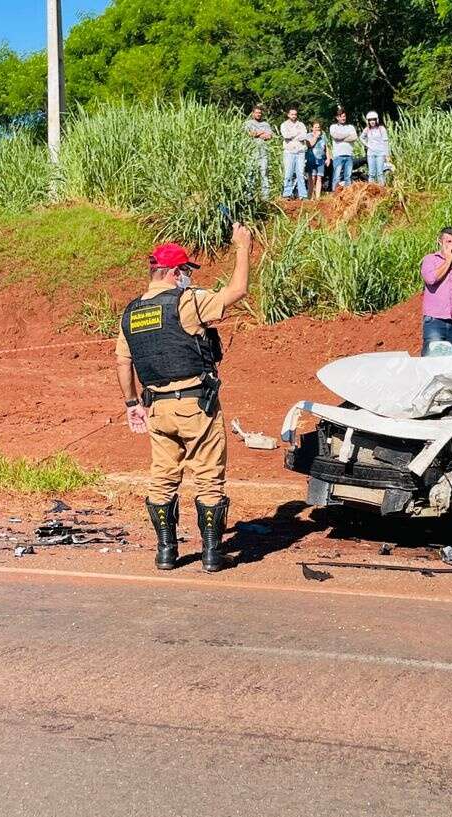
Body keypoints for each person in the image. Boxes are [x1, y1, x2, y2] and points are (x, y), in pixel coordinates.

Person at [118, 224, 254, 573]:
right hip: (196, 405)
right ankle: (211, 554)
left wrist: (132, 404)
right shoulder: (188, 301)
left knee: (162, 478)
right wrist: (243, 247)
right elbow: (237, 290)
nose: (186, 278)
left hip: (157, 408)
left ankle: (166, 552)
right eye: (185, 272)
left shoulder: (130, 313)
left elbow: (123, 361)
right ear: (176, 272)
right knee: (209, 476)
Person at [279, 107, 310, 200]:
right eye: (292, 114)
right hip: (289, 152)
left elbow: (304, 136)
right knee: (288, 173)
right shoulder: (284, 125)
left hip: (300, 152)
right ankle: (287, 194)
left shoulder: (301, 124)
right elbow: (285, 135)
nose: (294, 116)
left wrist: (293, 135)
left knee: (301, 173)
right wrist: (297, 134)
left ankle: (303, 195)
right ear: (288, 115)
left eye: (295, 114)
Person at [244, 105, 274, 198]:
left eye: (260, 113)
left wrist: (256, 133)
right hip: (251, 152)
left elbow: (269, 136)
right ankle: (249, 196)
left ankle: (265, 196)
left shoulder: (266, 124)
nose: (258, 114)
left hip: (263, 152)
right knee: (250, 173)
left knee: (264, 173)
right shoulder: (248, 123)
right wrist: (261, 133)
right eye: (257, 112)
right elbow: (249, 134)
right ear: (253, 113)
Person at [328, 108, 357, 190]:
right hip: (338, 155)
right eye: (341, 117)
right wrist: (347, 135)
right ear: (337, 117)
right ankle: (335, 194)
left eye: (344, 116)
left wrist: (341, 138)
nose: (343, 118)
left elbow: (354, 137)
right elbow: (335, 136)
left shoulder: (350, 127)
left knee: (348, 177)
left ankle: (348, 195)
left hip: (349, 155)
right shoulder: (333, 127)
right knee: (337, 177)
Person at [362, 112, 390, 186]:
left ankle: (382, 189)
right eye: (370, 120)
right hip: (370, 154)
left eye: (373, 120)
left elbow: (385, 141)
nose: (372, 122)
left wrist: (387, 154)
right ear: (368, 121)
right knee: (371, 173)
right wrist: (367, 145)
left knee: (380, 173)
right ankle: (371, 189)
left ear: (376, 120)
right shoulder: (367, 129)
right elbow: (361, 138)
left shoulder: (381, 129)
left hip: (380, 153)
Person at [305, 121, 328, 201]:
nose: (317, 129)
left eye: (318, 127)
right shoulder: (308, 135)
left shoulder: (323, 136)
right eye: (315, 127)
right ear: (312, 128)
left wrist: (328, 158)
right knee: (312, 178)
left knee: (319, 178)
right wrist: (316, 137)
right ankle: (310, 196)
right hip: (311, 159)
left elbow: (326, 148)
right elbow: (309, 145)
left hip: (321, 160)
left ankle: (318, 197)